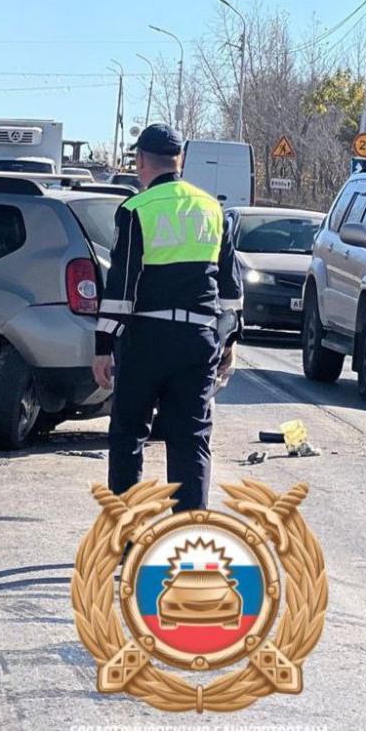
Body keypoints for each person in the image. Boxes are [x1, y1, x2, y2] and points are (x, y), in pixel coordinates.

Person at [91, 123, 243, 513]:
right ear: (182, 161)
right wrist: (231, 342)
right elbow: (230, 288)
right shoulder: (213, 209)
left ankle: (126, 538)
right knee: (190, 439)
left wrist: (103, 346)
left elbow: (121, 287)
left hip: (147, 338)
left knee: (128, 435)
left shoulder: (135, 210)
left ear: (140, 161)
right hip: (198, 339)